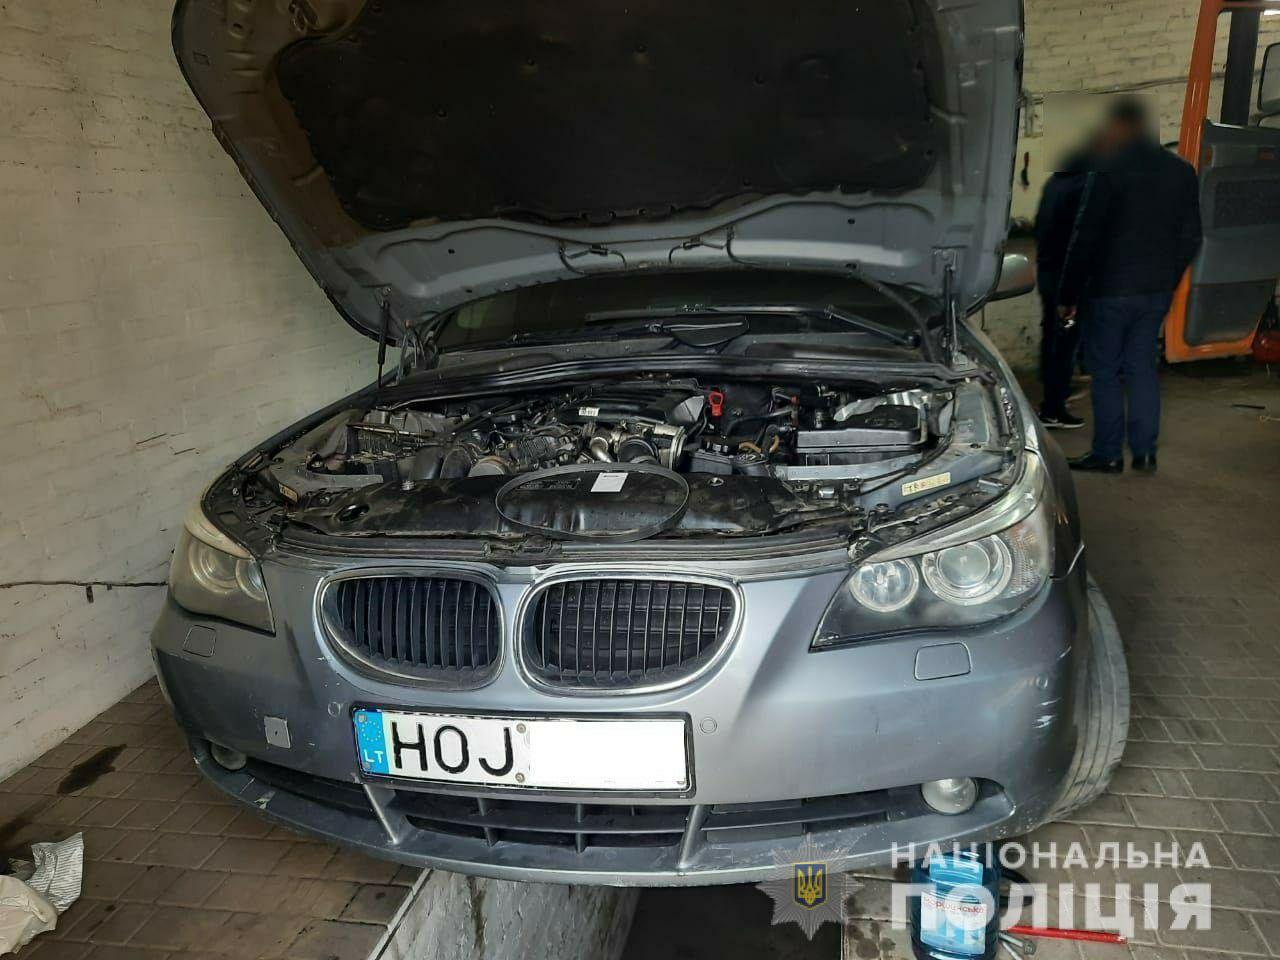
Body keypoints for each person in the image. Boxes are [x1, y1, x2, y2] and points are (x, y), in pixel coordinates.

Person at [1056, 97, 1203, 474]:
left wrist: (1068, 294)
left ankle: (1107, 454)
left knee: (1106, 372)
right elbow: (1192, 236)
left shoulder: (1107, 170)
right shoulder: (1182, 172)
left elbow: (1084, 237)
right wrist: (1168, 279)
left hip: (1109, 291)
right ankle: (1144, 453)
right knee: (1141, 367)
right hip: (1155, 291)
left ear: (1121, 127)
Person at [1033, 148, 1092, 429]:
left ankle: (1053, 395)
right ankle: (1053, 408)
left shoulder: (1055, 182)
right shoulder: (1082, 187)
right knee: (1065, 343)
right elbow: (1079, 239)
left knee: (1052, 336)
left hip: (1048, 272)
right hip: (1066, 277)